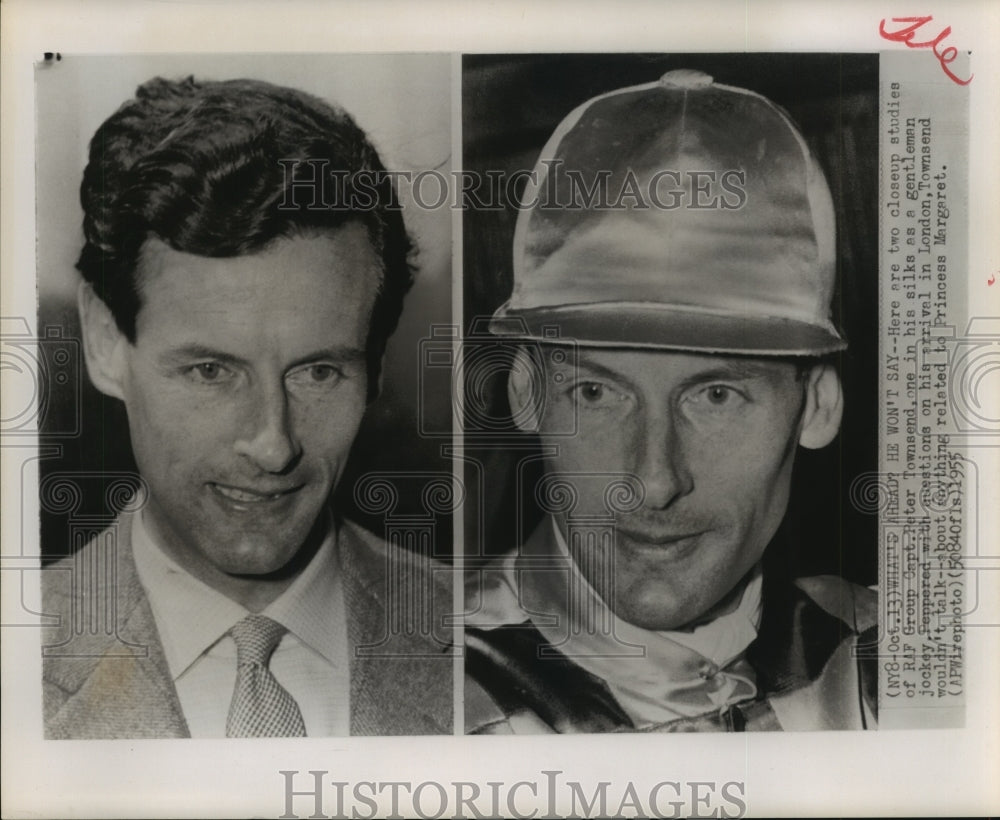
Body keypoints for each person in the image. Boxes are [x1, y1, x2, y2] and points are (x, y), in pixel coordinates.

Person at [465, 69, 878, 733]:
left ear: (818, 407)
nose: (654, 482)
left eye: (715, 396)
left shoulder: (901, 665)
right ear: (525, 393)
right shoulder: (423, 685)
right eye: (596, 392)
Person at [42, 76, 452, 738]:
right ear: (105, 341)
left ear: (375, 365)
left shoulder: (486, 639)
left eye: (318, 372)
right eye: (211, 371)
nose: (273, 444)